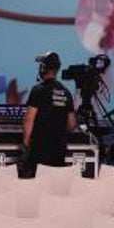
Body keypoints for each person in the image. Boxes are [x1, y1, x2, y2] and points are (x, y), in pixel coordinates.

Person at [20, 51, 76, 179]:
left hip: (39, 147)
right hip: (59, 148)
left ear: (43, 68)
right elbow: (72, 123)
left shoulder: (38, 90)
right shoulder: (66, 92)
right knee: (53, 184)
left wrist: (26, 140)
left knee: (36, 183)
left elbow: (29, 119)